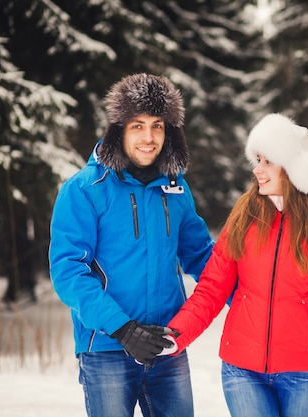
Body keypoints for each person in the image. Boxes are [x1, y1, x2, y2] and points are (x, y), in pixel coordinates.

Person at [167, 113, 308, 417]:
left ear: (295, 169)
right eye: (257, 160)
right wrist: (175, 334)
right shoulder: (244, 217)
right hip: (242, 369)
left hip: (302, 372)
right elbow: (212, 289)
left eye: (267, 161)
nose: (257, 170)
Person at [49, 73, 214, 417]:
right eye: (137, 126)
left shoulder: (176, 189)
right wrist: (123, 329)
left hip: (167, 347)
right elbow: (68, 271)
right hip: (107, 348)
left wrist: (252, 289)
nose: (148, 137)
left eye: (158, 125)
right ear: (119, 129)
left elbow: (202, 257)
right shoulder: (84, 189)